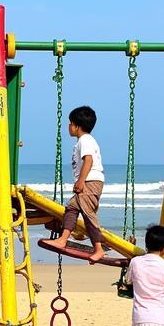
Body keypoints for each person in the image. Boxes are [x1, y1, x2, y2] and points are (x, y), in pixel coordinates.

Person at [46, 105, 106, 262]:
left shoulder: (85, 140)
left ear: (77, 126)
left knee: (88, 214)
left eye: (70, 123)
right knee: (72, 207)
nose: (69, 126)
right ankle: (63, 239)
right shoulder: (83, 141)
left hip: (90, 181)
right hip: (89, 180)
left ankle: (98, 249)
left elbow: (89, 160)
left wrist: (81, 181)